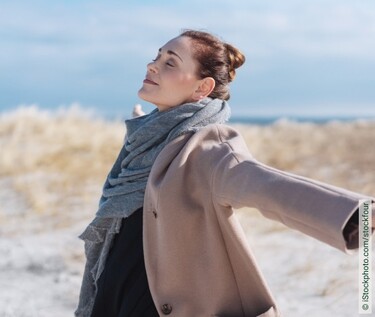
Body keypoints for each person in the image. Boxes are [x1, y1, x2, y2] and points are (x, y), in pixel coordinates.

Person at [75, 29, 374, 317]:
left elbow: (269, 187)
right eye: (157, 56)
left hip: (158, 302)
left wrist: (357, 216)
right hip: (113, 288)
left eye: (170, 62)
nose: (152, 65)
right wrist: (144, 130)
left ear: (201, 88)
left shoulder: (207, 148)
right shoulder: (146, 137)